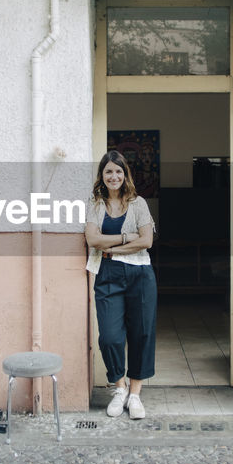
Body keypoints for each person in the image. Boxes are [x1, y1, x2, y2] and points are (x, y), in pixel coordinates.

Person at [84, 150, 156, 420]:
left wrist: (112, 245)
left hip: (140, 274)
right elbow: (92, 240)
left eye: (118, 171)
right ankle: (119, 388)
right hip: (107, 274)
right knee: (110, 336)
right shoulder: (95, 204)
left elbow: (147, 241)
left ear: (125, 175)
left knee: (141, 334)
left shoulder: (138, 204)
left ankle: (135, 394)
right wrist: (128, 237)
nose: (114, 176)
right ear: (102, 176)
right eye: (108, 172)